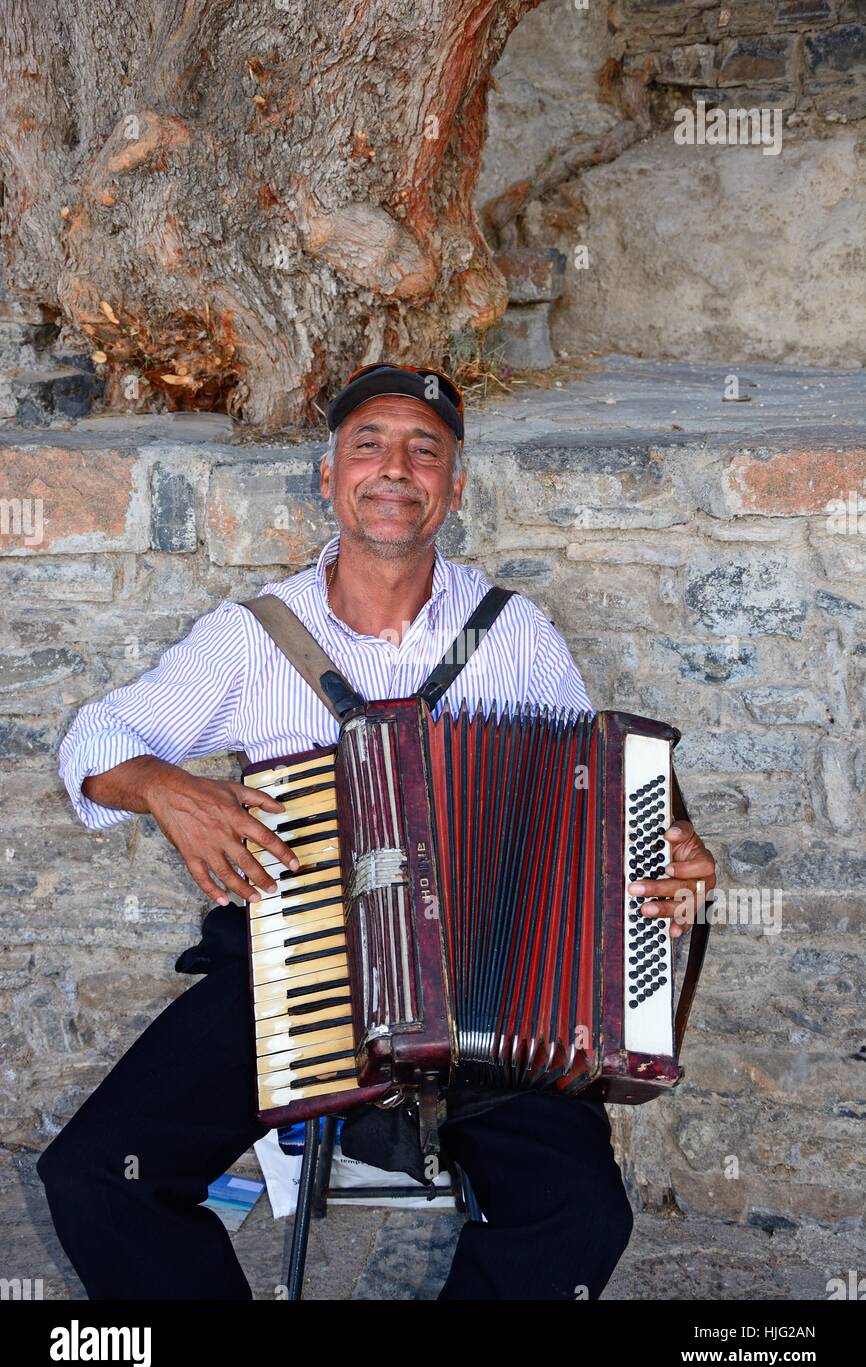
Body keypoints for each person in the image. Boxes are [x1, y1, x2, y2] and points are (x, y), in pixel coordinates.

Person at [37, 363, 717, 1301]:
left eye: (423, 450)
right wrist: (164, 786)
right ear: (329, 476)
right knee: (96, 1178)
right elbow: (95, 743)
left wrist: (669, 855)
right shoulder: (254, 636)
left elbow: (597, 798)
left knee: (579, 1213)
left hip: (489, 989)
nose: (395, 468)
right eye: (369, 445)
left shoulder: (513, 634)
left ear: (454, 486)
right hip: (295, 966)